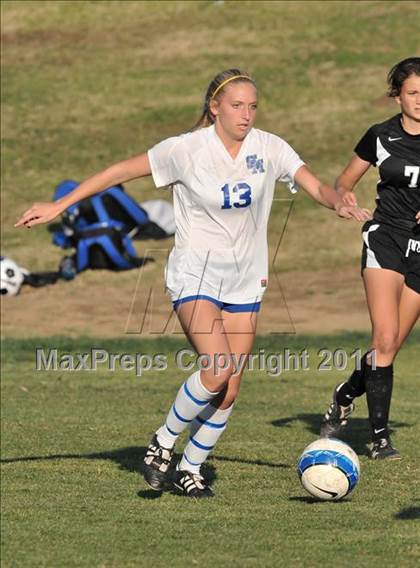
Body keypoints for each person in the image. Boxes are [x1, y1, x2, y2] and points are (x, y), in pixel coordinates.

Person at [15, 68, 370, 498]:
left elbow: (313, 185)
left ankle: (190, 468)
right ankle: (163, 443)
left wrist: (339, 202)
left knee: (229, 386)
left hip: (245, 280)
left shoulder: (269, 147)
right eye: (237, 105)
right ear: (214, 107)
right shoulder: (184, 150)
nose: (246, 114)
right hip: (194, 274)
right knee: (217, 368)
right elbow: (117, 172)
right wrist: (59, 205)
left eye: (252, 106)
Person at [320, 57, 420, 460]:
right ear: (397, 95)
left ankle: (345, 393)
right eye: (413, 93)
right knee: (383, 336)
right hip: (386, 238)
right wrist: (345, 196)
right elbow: (345, 180)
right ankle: (379, 439)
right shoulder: (380, 135)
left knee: (391, 345)